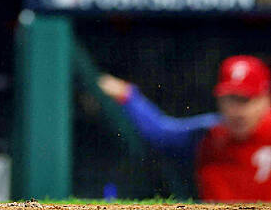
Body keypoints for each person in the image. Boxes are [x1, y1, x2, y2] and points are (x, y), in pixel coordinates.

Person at [99, 55, 271, 201]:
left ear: (265, 99)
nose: (237, 111)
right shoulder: (209, 133)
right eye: (230, 99)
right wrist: (129, 96)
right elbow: (161, 133)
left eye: (246, 100)